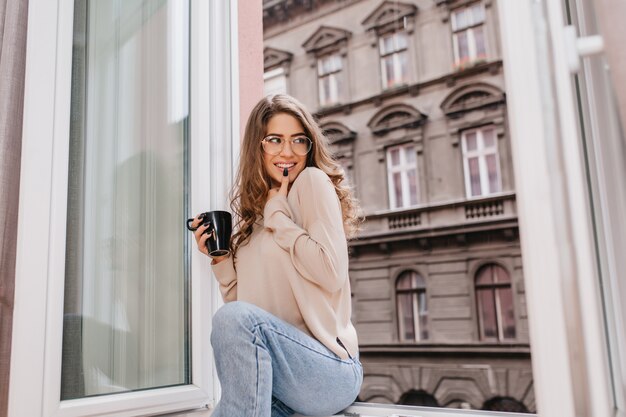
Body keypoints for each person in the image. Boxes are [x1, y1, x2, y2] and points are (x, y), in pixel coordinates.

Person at [189, 94, 363, 417]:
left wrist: (279, 218)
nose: (288, 152)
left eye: (299, 140)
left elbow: (331, 271)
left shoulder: (311, 183)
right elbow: (247, 314)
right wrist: (221, 258)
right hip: (284, 375)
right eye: (275, 140)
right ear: (259, 147)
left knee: (230, 320)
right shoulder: (256, 220)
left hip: (329, 369)